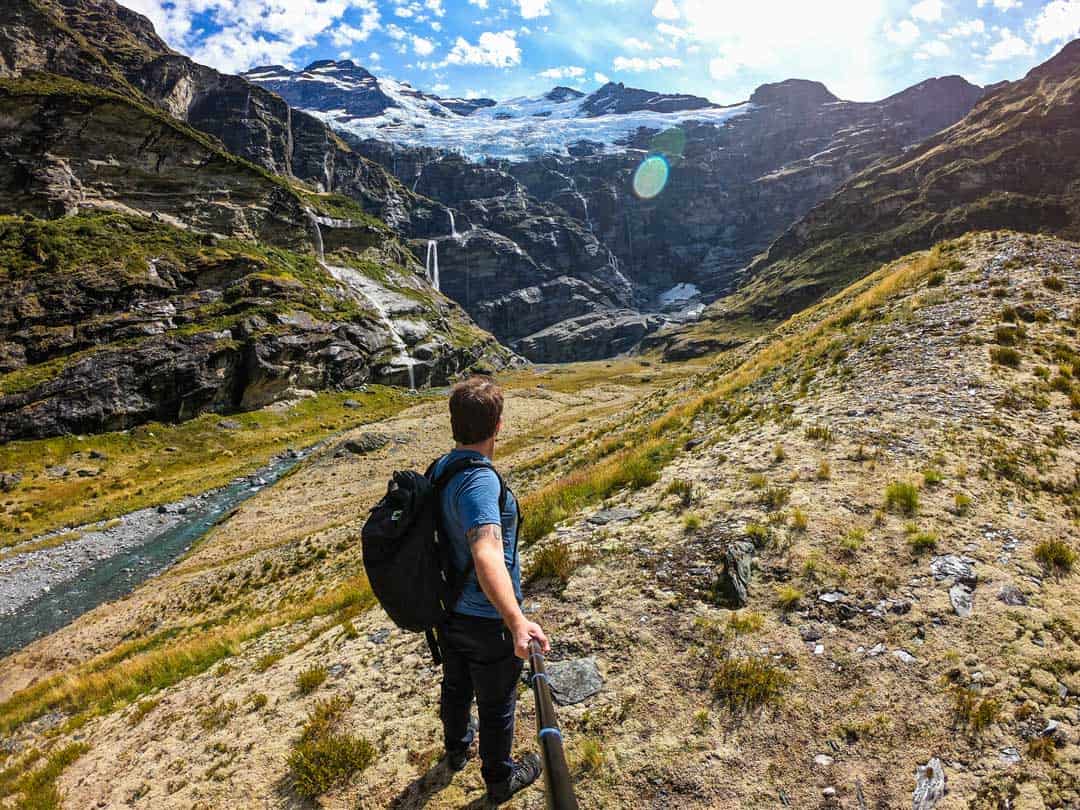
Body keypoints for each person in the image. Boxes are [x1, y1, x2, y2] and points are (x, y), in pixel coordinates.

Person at [431, 375, 549, 804]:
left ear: (454, 424)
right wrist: (515, 621)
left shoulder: (442, 467)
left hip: (448, 610)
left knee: (456, 684)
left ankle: (457, 748)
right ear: (498, 426)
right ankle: (500, 779)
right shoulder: (480, 482)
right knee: (497, 701)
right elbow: (486, 555)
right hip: (486, 618)